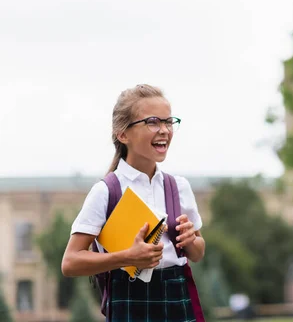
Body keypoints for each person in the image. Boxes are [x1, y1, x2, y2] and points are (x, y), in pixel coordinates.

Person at [62, 84, 205, 321]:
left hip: (177, 300)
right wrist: (128, 257)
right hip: (129, 303)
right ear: (122, 134)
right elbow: (70, 262)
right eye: (152, 122)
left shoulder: (178, 187)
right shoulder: (106, 192)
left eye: (168, 122)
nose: (164, 130)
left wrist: (192, 240)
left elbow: (198, 253)